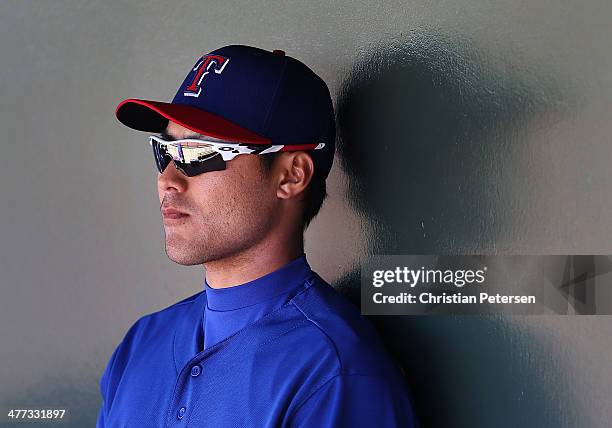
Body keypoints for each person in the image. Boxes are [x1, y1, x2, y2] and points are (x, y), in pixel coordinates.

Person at [97, 44, 416, 427]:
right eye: (164, 151)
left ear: (291, 175)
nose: (167, 179)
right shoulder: (141, 343)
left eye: (198, 152)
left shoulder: (335, 373)